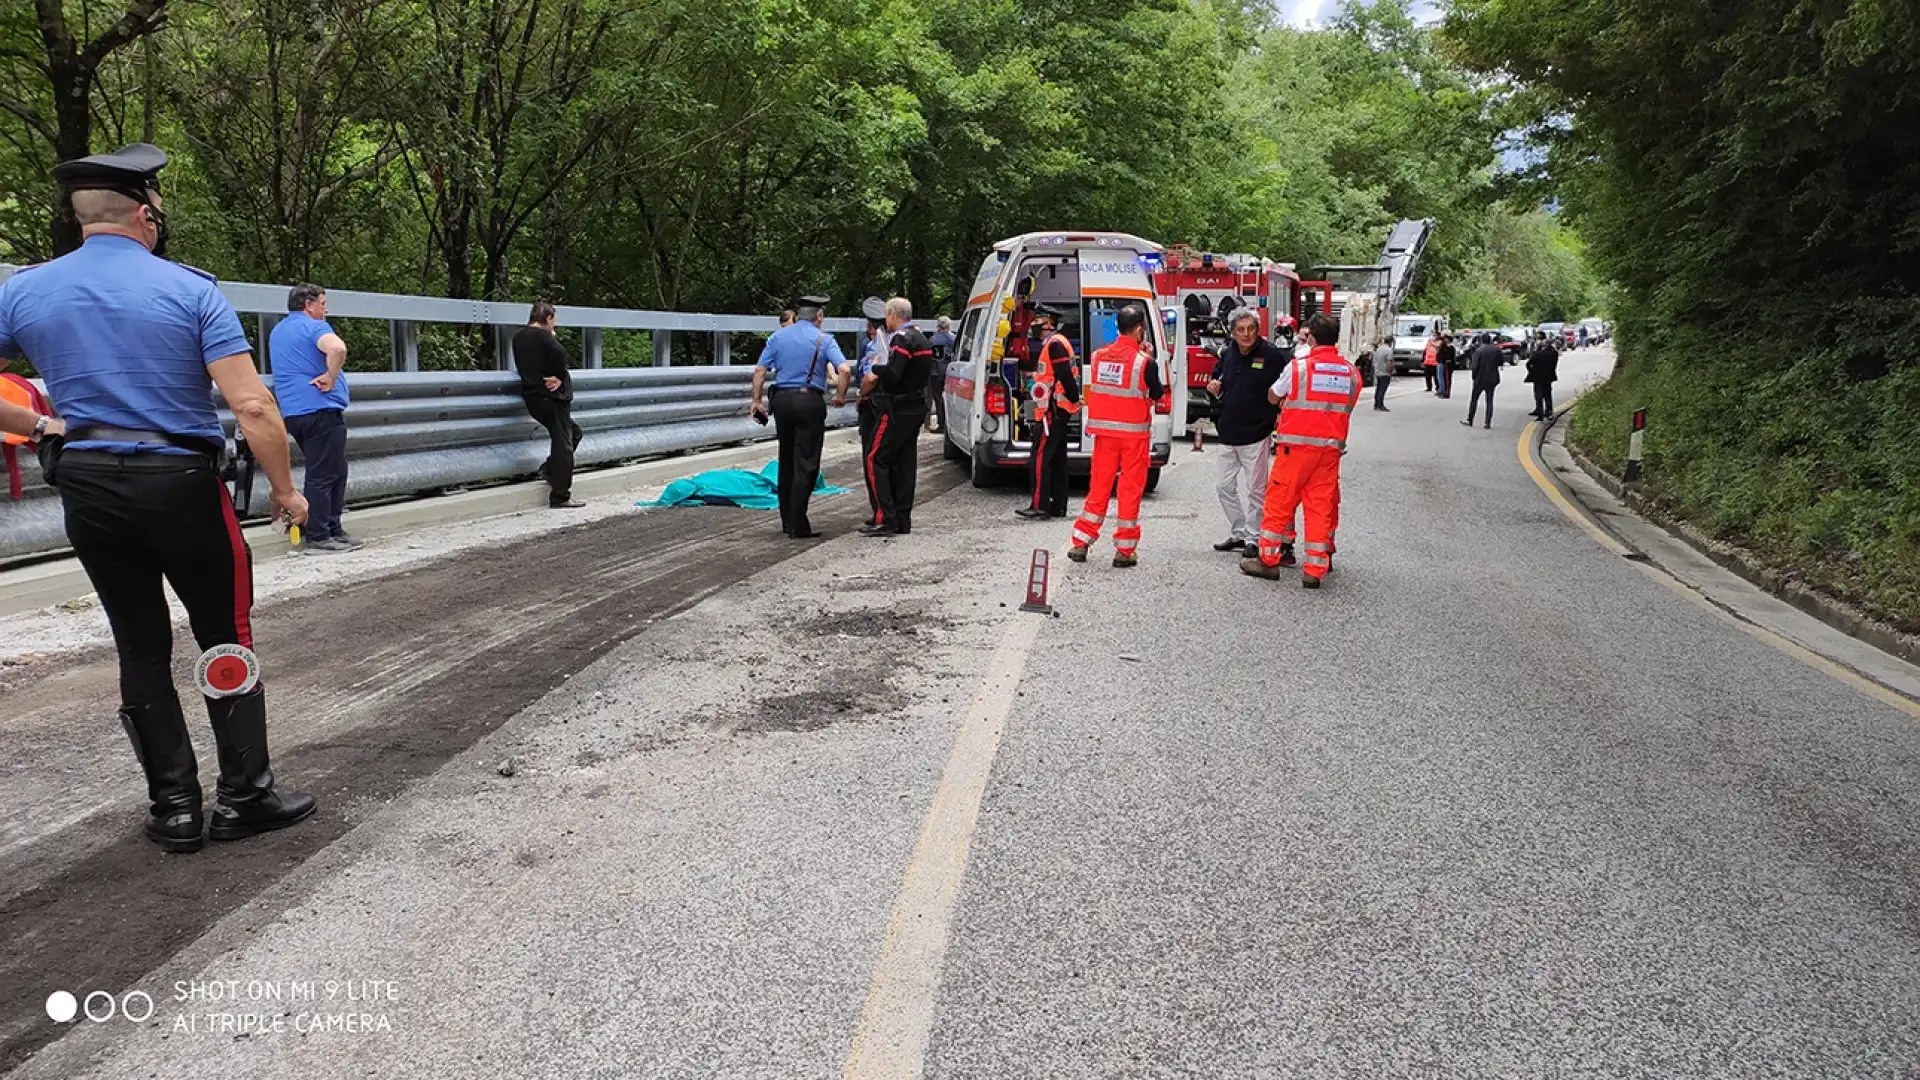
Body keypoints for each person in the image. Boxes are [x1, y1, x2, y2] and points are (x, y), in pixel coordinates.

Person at [0, 143, 316, 852]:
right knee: (224, 631)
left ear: (81, 218)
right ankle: (246, 798)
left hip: (85, 482)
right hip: (180, 484)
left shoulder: (21, 291)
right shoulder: (190, 290)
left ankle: (174, 808)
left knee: (139, 644)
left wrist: (41, 424)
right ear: (147, 213)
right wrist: (288, 491)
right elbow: (254, 407)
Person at [1241, 312, 1360, 589]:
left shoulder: (1299, 368)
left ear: (1313, 338)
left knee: (1279, 501)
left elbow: (1273, 395)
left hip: (1295, 448)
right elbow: (1348, 406)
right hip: (1329, 452)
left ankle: (1268, 560)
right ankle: (1315, 569)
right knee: (1320, 506)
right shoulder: (1351, 373)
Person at [1068, 303, 1164, 568]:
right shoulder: (1145, 363)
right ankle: (1124, 550)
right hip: (1133, 437)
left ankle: (1081, 542)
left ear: (1117, 327)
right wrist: (1149, 358)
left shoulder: (1099, 356)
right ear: (1140, 330)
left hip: (1105, 435)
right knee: (1130, 490)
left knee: (1098, 487)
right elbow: (1156, 393)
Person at [749, 294, 848, 539]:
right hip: (809, 401)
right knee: (806, 461)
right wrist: (841, 396)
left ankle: (786, 521)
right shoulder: (824, 340)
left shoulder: (777, 337)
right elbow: (844, 369)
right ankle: (799, 523)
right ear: (819, 317)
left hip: (782, 401)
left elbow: (760, 371)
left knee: (787, 457)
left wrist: (756, 402)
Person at [271, 283, 356, 550]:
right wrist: (331, 377)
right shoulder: (313, 326)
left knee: (332, 469)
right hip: (321, 409)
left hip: (294, 412)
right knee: (325, 473)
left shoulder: (279, 330)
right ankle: (320, 535)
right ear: (308, 305)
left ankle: (333, 528)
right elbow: (337, 349)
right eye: (322, 303)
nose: (326, 309)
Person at [1206, 307, 1289, 556]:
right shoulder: (1228, 354)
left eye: (1251, 329)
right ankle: (1239, 531)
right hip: (1228, 431)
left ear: (1258, 329)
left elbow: (1287, 385)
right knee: (1223, 486)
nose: (1246, 334)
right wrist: (1214, 387)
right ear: (1232, 333)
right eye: (1241, 330)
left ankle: (1254, 538)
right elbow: (1218, 381)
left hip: (1256, 433)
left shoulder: (1272, 355)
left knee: (1257, 491)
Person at [861, 297, 934, 536]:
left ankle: (885, 517)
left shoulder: (902, 339)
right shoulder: (921, 337)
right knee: (905, 463)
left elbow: (893, 374)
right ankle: (903, 518)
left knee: (875, 457)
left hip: (897, 409)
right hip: (916, 406)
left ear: (892, 315)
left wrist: (876, 368)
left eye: (886, 316)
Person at [512, 300, 584, 508]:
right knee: (564, 444)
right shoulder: (545, 337)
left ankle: (549, 470)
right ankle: (560, 495)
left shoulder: (519, 337)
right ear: (549, 318)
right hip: (552, 397)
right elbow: (560, 355)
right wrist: (561, 377)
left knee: (574, 433)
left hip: (533, 397)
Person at [1018, 302, 1079, 520]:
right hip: (1059, 407)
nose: (1033, 324)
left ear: (1049, 322)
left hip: (1052, 409)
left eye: (1037, 321)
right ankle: (1057, 505)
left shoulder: (1054, 344)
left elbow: (1064, 375)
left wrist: (1072, 398)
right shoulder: (1057, 342)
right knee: (1058, 458)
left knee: (1041, 455)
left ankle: (1040, 504)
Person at [851, 297, 887, 525]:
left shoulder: (872, 345)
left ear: (870, 326)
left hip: (872, 406)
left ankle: (880, 511)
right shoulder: (893, 341)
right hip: (887, 407)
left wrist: (861, 394)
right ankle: (886, 509)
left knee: (872, 459)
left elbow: (869, 376)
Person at [1461, 333, 1504, 429]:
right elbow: (1501, 362)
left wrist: (1474, 377)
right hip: (1492, 378)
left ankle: (1470, 419)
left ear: (1481, 340)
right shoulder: (1496, 350)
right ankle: (1487, 422)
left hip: (1480, 378)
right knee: (1489, 400)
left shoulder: (1478, 351)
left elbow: (1474, 366)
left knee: (1474, 399)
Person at [926, 315, 954, 434]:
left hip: (935, 373)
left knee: (938, 399)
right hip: (950, 372)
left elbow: (928, 356)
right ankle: (950, 425)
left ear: (938, 326)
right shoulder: (954, 339)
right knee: (950, 399)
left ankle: (941, 424)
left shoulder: (933, 340)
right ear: (949, 326)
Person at [1526, 330, 1560, 419]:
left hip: (1538, 376)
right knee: (1548, 394)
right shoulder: (1554, 353)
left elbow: (1529, 363)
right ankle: (1549, 411)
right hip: (1549, 376)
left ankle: (1540, 413)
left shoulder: (1537, 354)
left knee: (1538, 395)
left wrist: (1531, 371)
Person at [1371, 335, 1395, 411]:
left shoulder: (1379, 349)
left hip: (1378, 371)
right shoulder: (1389, 350)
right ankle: (1380, 405)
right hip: (1385, 372)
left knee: (1378, 389)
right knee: (1382, 389)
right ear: (1391, 342)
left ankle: (1376, 404)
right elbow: (1389, 362)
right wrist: (1390, 371)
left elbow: (1375, 360)